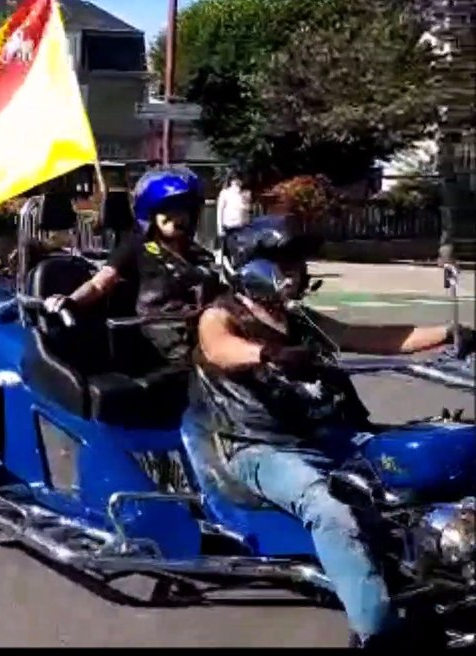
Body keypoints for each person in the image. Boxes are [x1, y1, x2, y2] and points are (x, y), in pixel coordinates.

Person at [186, 214, 475, 648]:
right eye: (283, 262)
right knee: (329, 509)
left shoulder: (300, 319)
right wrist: (266, 352)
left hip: (324, 433)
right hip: (258, 445)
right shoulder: (222, 314)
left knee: (429, 464)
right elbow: (218, 348)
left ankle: (446, 566)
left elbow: (373, 337)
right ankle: (375, 631)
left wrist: (450, 333)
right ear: (249, 266)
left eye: (297, 262)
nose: (295, 272)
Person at [42, 167, 221, 365]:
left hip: (203, 332)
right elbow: (100, 283)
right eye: (168, 209)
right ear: (151, 213)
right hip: (164, 340)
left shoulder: (199, 255)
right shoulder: (137, 247)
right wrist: (71, 300)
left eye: (183, 209)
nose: (178, 216)